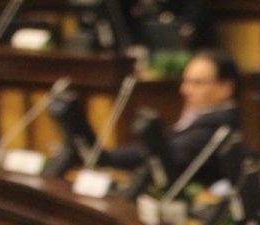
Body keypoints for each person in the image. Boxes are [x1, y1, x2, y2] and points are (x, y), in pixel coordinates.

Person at [99, 49, 240, 186]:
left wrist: (108, 162)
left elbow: (165, 155)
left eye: (197, 83)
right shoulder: (200, 117)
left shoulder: (220, 125)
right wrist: (105, 158)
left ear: (225, 88)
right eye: (185, 81)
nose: (184, 90)